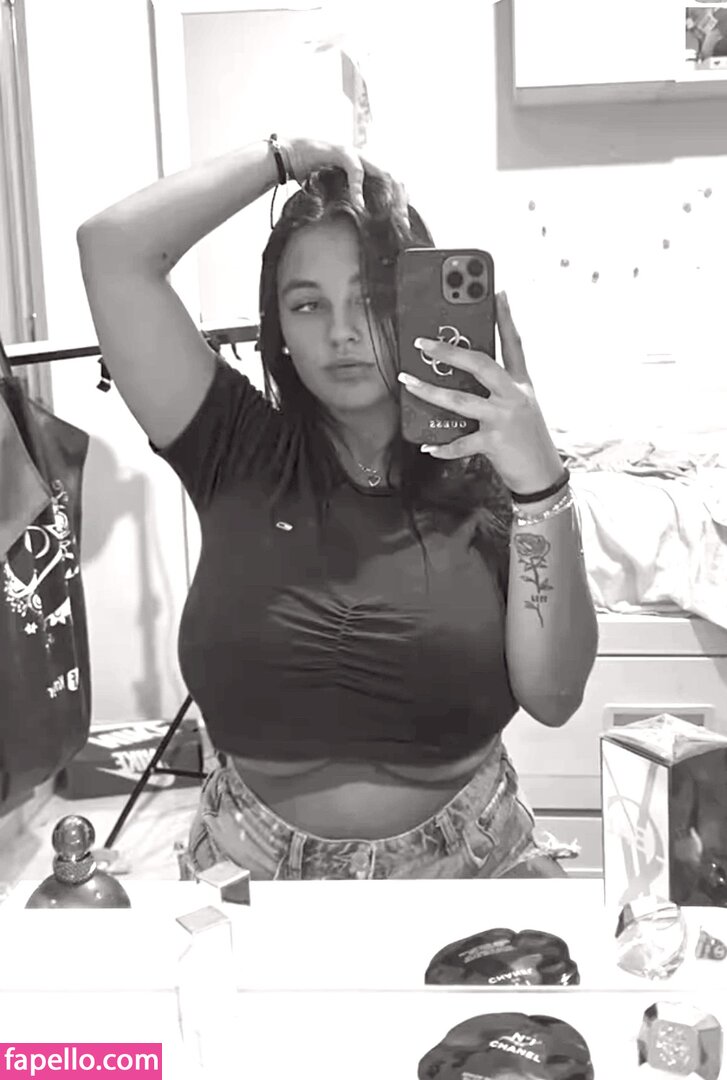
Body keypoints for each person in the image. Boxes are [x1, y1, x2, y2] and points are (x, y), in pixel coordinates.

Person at [77, 135, 598, 880]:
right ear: (279, 330)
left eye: (370, 299)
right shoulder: (231, 444)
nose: (342, 332)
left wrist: (540, 483)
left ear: (411, 308)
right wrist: (281, 157)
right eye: (307, 304)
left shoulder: (488, 471)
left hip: (466, 865)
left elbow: (554, 697)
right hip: (247, 869)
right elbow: (112, 250)